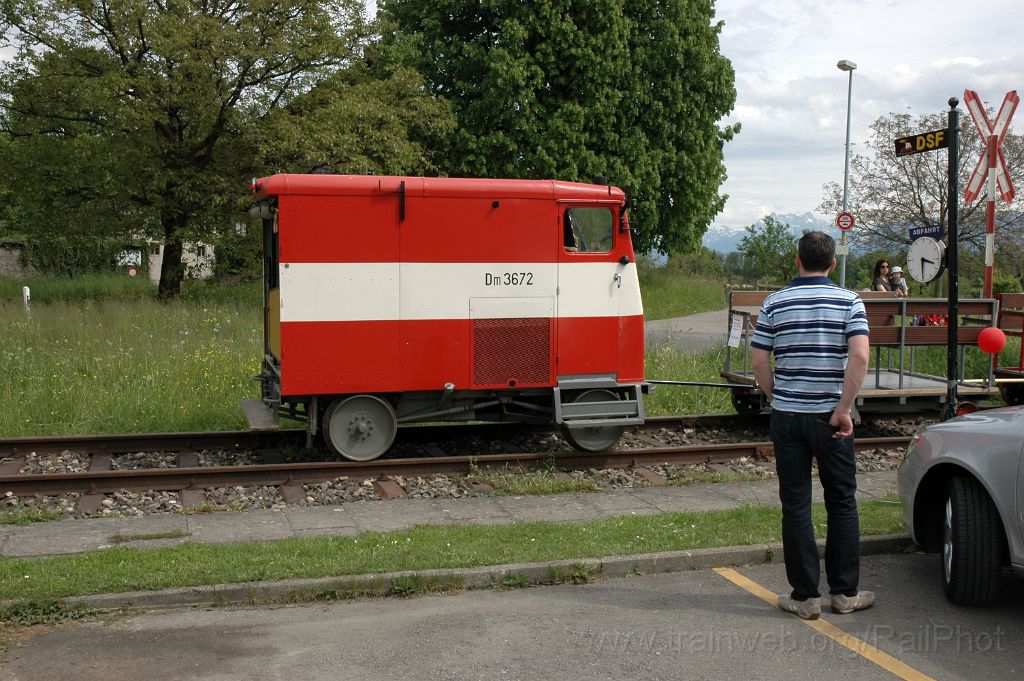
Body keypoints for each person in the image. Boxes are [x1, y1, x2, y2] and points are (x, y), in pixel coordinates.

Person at [750, 231, 874, 620]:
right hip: (831, 418)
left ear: (797, 260)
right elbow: (860, 357)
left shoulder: (775, 302)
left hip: (788, 417)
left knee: (796, 503)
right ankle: (845, 594)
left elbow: (758, 363)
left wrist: (777, 397)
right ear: (832, 264)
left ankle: (805, 597)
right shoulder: (850, 301)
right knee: (841, 501)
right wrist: (844, 408)